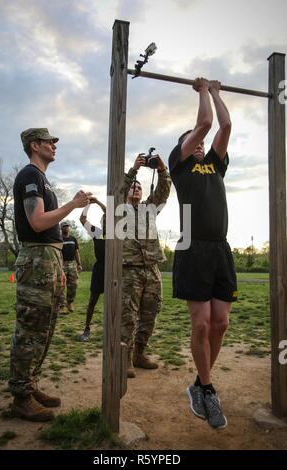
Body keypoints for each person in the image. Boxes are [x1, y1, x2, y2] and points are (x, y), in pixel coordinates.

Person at [168, 78, 237, 430]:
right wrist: (202, 92)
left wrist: (217, 93)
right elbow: (206, 124)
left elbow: (223, 125)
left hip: (220, 249)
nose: (200, 144)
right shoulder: (179, 166)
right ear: (182, 147)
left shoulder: (215, 164)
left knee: (221, 322)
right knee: (202, 322)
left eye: (201, 144)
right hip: (192, 247)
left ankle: (198, 383)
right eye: (192, 141)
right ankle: (208, 389)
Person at [9, 128, 91, 422]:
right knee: (30, 329)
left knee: (44, 328)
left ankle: (30, 387)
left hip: (49, 259)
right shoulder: (30, 176)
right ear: (35, 145)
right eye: (49, 142)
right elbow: (38, 221)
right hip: (36, 258)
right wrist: (73, 205)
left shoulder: (41, 178)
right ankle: (20, 396)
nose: (55, 146)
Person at [122, 153, 171, 378]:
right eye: (132, 186)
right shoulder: (118, 210)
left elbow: (163, 191)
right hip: (128, 269)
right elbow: (116, 189)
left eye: (140, 186)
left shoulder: (148, 209)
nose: (136, 188)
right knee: (128, 316)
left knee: (150, 313)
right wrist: (133, 171)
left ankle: (139, 354)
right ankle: (124, 359)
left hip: (151, 268)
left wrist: (162, 169)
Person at [79, 198, 106, 341]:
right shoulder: (97, 232)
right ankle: (87, 328)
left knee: (119, 301)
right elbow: (82, 219)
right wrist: (89, 204)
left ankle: (115, 329)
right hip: (100, 269)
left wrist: (99, 201)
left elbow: (111, 212)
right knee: (92, 301)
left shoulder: (119, 234)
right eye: (104, 221)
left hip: (115, 270)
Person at [59, 221, 82, 314]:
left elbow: (76, 252)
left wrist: (79, 264)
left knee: (73, 284)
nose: (66, 228)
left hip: (72, 264)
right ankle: (62, 306)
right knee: (60, 285)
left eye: (67, 226)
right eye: (64, 226)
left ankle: (70, 303)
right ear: (61, 228)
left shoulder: (73, 239)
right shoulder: (59, 239)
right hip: (61, 264)